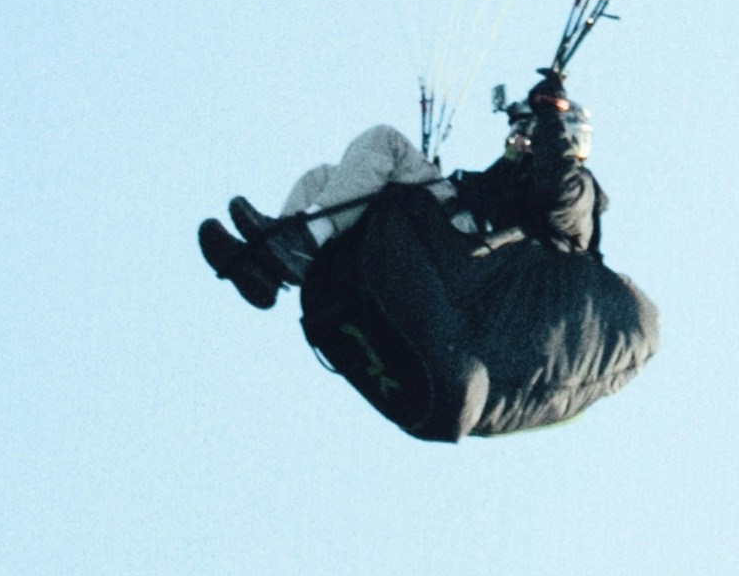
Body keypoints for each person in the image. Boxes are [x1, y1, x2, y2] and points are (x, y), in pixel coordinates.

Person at [196, 68, 657, 442]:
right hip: (456, 251)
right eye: (517, 130)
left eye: (527, 131)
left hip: (466, 262)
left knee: (385, 143)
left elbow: (556, 185)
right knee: (324, 179)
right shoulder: (505, 180)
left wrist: (550, 113)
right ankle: (269, 268)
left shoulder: (579, 203)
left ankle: (297, 244)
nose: (518, 139)